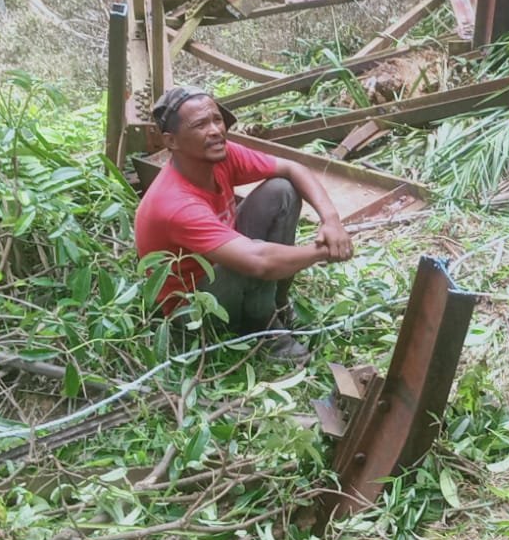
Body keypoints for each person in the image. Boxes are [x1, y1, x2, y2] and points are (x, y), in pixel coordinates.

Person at [135, 87, 354, 358]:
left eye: (217, 119)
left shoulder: (220, 156)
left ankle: (276, 305)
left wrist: (331, 221)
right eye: (200, 125)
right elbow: (257, 261)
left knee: (281, 190)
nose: (216, 130)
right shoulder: (174, 203)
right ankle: (263, 331)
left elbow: (292, 168)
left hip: (219, 269)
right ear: (172, 141)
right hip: (194, 311)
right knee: (248, 257)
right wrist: (324, 251)